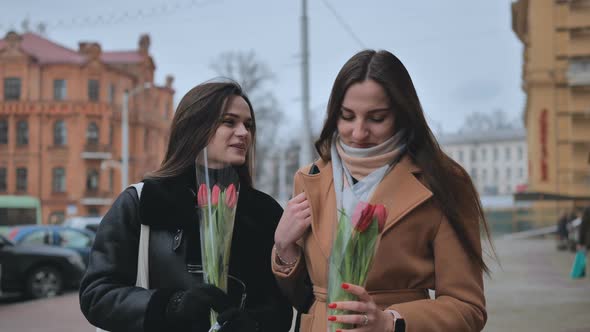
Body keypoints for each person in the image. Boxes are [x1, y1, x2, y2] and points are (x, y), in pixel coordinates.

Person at [272, 50, 492, 332]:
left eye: (376, 118)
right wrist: (284, 248)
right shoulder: (309, 179)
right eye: (347, 116)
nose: (359, 132)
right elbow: (303, 297)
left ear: (402, 115)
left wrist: (392, 323)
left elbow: (468, 308)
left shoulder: (444, 182)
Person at [80, 81, 293, 332]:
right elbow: (97, 294)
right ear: (195, 126)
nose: (244, 132)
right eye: (229, 121)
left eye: (248, 125)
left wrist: (254, 325)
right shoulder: (144, 201)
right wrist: (172, 305)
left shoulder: (263, 211)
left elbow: (279, 307)